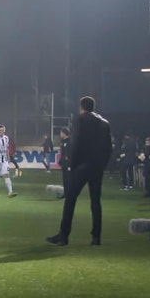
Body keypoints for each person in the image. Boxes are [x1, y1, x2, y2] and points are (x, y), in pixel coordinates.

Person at [47, 96, 111, 246]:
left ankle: (64, 235)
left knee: (70, 199)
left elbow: (76, 143)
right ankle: (96, 237)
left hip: (82, 166)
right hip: (97, 167)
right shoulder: (105, 123)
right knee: (96, 202)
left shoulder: (80, 120)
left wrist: (72, 165)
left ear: (82, 107)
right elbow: (109, 148)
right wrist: (103, 165)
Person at [0, 125, 17, 197]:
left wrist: (8, 157)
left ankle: (10, 192)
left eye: (3, 130)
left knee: (6, 174)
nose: (2, 131)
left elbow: (7, 148)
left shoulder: (6, 138)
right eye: (1, 130)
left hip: (4, 160)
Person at [57, 127, 71, 197]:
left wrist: (68, 159)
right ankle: (65, 194)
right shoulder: (63, 142)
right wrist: (60, 161)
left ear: (64, 133)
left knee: (68, 179)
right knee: (65, 179)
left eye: (61, 132)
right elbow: (63, 153)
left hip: (69, 164)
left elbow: (71, 152)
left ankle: (69, 194)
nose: (60, 134)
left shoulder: (70, 141)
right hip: (64, 164)